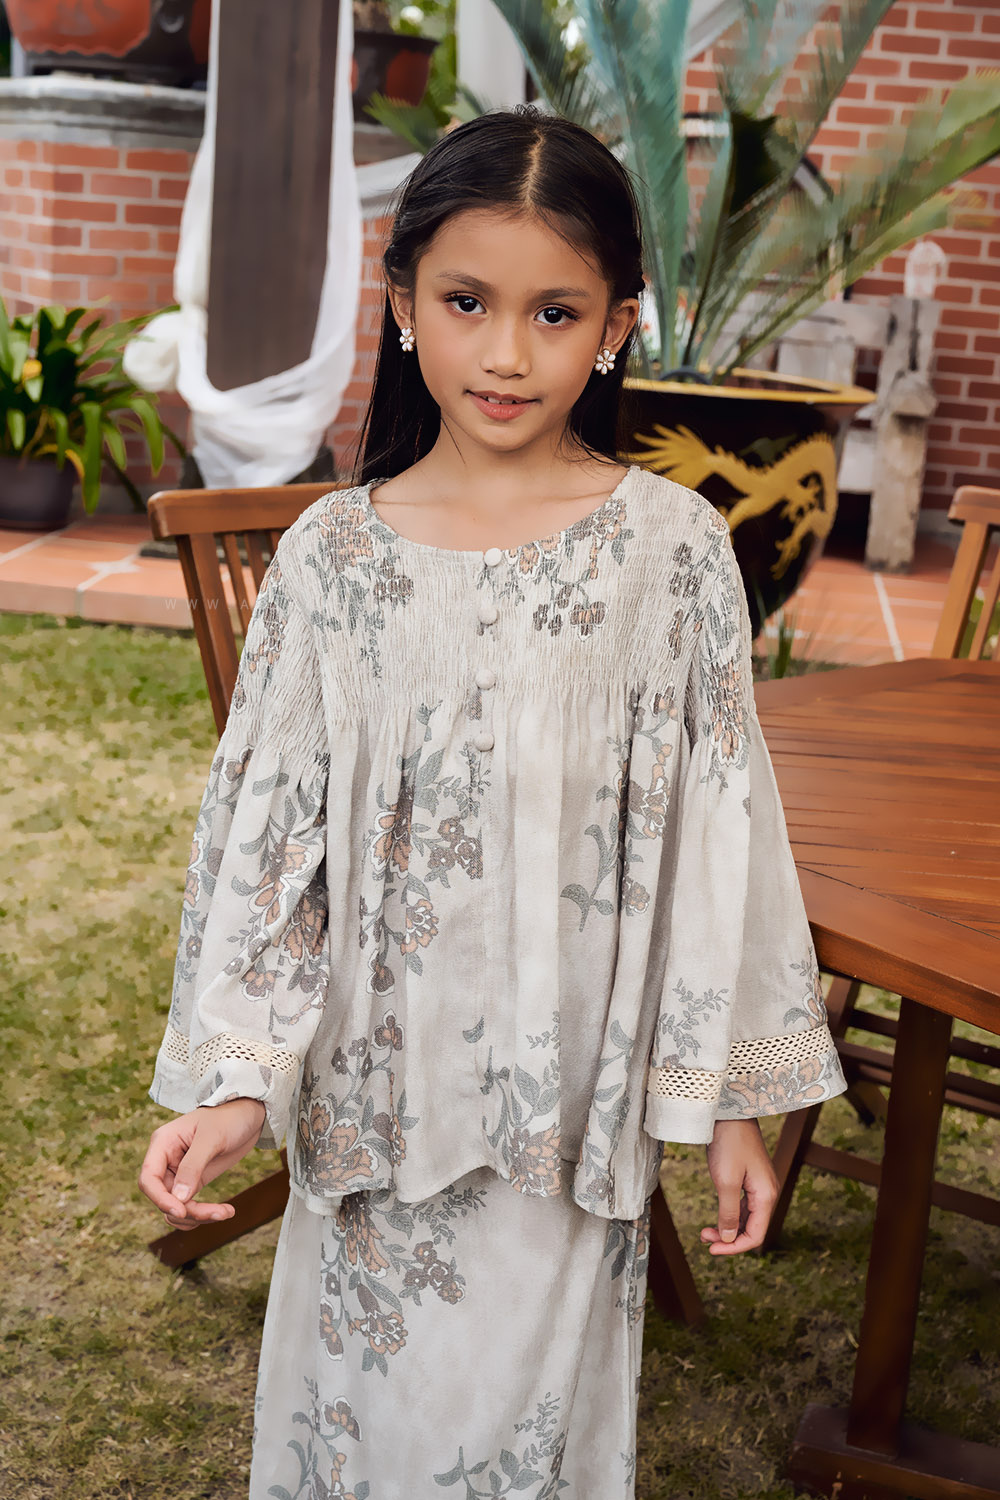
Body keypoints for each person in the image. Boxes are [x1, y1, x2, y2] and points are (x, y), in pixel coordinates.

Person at [139, 105, 848, 1498]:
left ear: (618, 325)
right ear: (404, 304)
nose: (508, 354)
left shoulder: (671, 556)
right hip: (368, 1116)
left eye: (555, 313)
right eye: (468, 302)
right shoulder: (333, 561)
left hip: (565, 1128)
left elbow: (723, 837)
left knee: (525, 1453)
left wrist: (735, 1099)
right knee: (362, 1440)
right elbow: (270, 851)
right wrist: (238, 1080)